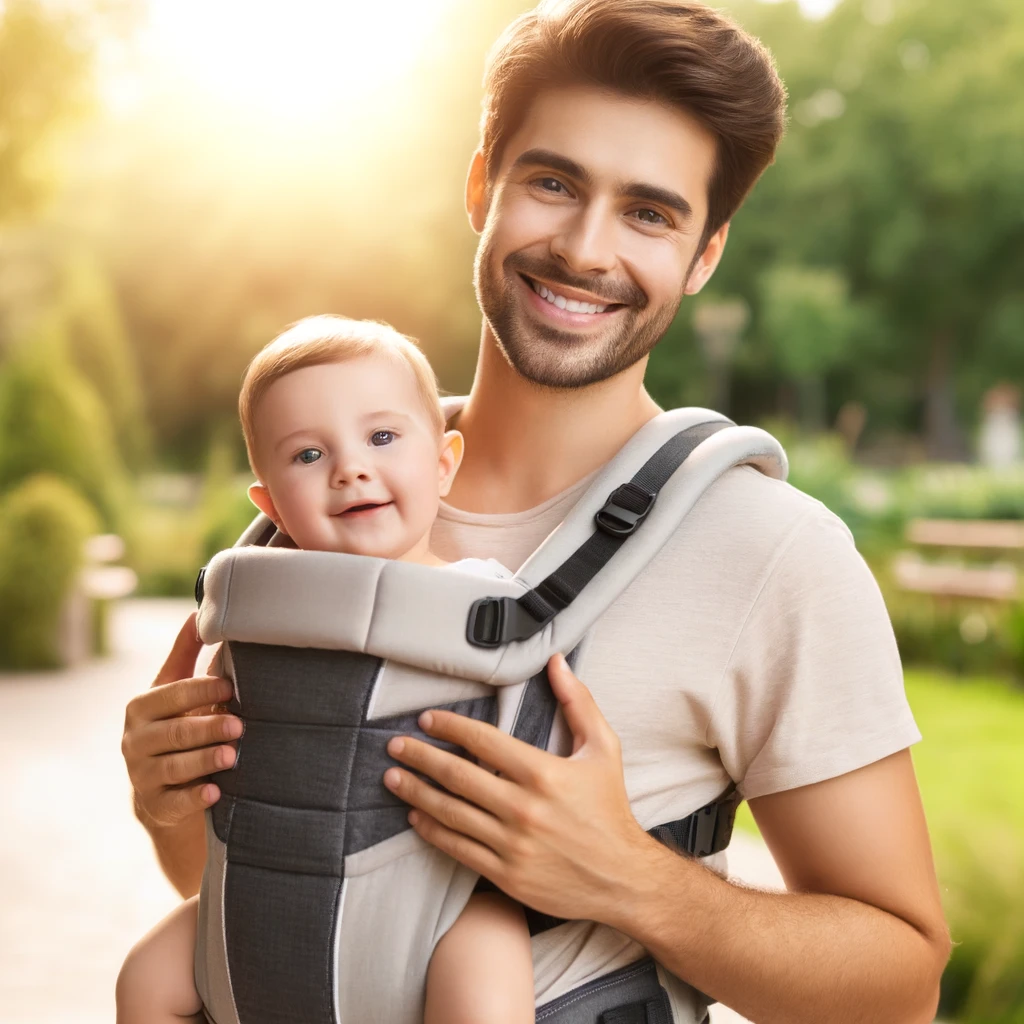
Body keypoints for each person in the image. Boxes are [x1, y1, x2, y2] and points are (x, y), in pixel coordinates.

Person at [121, 1, 951, 1020]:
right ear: (483, 186)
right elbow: (223, 891)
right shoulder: (323, 500)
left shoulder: (771, 553)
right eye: (553, 183)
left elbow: (902, 984)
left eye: (649, 212)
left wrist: (628, 878)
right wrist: (170, 803)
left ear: (704, 256)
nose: (585, 249)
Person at [117, 317, 536, 1024]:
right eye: (308, 454)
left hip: (431, 908)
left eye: (381, 437)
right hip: (273, 889)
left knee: (493, 947)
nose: (350, 468)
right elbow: (221, 774)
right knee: (147, 975)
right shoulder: (257, 621)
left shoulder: (490, 604)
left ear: (443, 462)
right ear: (271, 504)